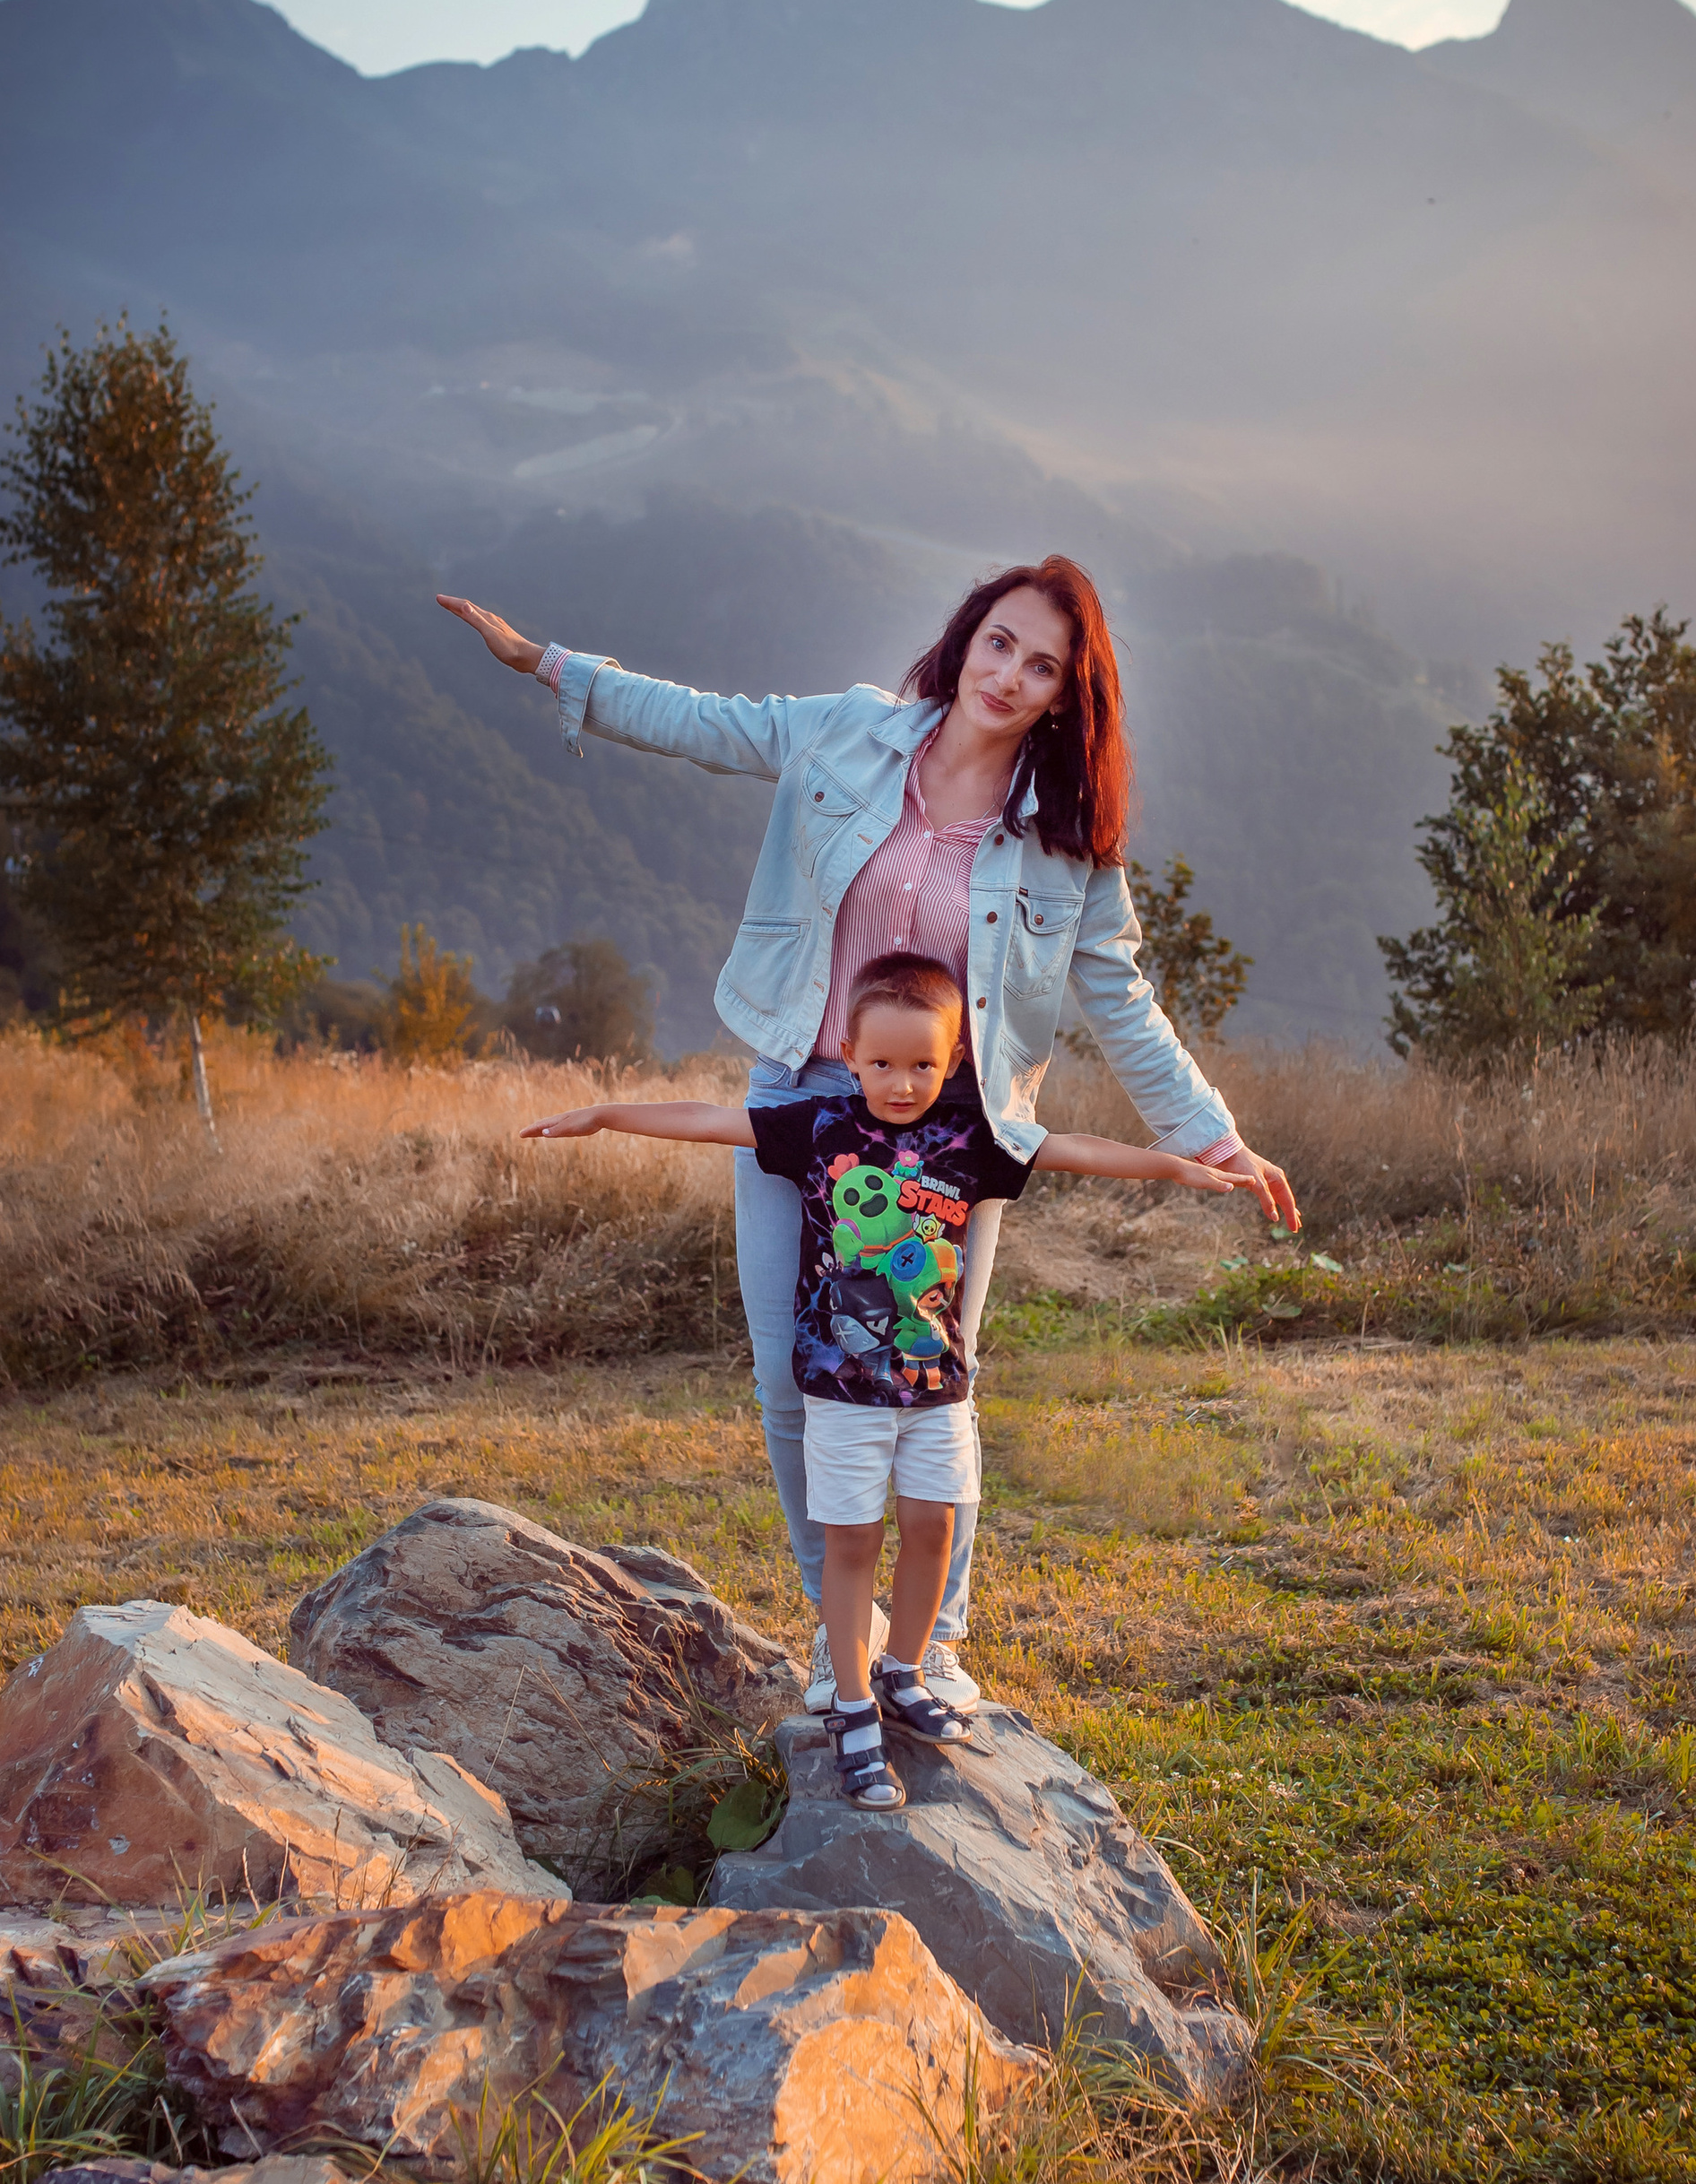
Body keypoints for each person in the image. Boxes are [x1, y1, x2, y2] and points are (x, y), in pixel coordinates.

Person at [438, 552, 1301, 1710]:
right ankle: (841, 1633)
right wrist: (545, 663)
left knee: (937, 1384)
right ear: (965, 637)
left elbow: (1123, 1001)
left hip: (953, 1134)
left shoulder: (1065, 844)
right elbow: (707, 723)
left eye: (1042, 664)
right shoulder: (848, 734)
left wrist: (1212, 1137)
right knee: (796, 1381)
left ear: (1065, 694)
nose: (1009, 674)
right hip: (801, 1100)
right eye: (999, 641)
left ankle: (927, 1648)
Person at [524, 950, 1245, 1808]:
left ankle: (905, 1668)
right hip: (840, 1389)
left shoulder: (971, 1139)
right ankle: (856, 1706)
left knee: (934, 1531)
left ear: (953, 1062)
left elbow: (1073, 1150)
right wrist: (606, 1113)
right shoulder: (822, 1127)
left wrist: (1178, 1163)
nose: (901, 1083)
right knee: (853, 1543)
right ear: (850, 1052)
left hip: (936, 1383)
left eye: (922, 1065)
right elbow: (711, 1119)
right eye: (881, 1063)